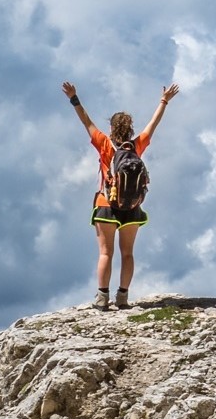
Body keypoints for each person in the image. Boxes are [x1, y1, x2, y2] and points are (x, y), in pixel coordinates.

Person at [63, 80, 177, 310]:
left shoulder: (104, 144)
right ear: (130, 129)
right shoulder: (137, 146)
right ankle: (123, 297)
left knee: (106, 253)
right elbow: (153, 124)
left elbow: (86, 121)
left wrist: (74, 98)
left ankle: (102, 298)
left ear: (112, 129)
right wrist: (164, 101)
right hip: (132, 207)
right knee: (128, 254)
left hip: (106, 204)